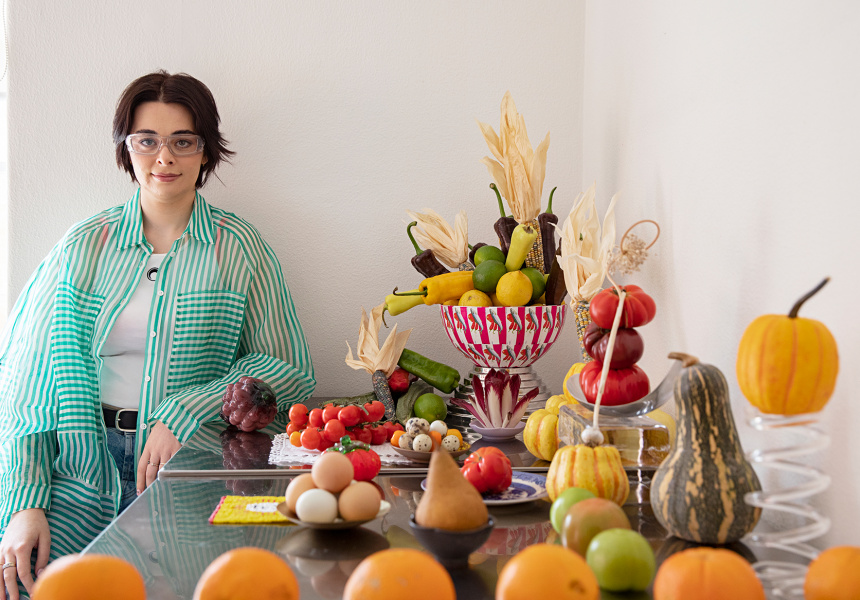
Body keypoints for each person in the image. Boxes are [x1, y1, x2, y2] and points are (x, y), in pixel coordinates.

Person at [0, 71, 316, 599]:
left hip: (190, 468)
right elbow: (28, 387)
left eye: (182, 141)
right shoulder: (84, 246)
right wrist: (25, 503)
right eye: (146, 140)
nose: (164, 157)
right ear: (127, 149)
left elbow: (287, 368)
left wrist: (187, 408)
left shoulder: (239, 248)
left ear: (205, 151)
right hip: (79, 473)